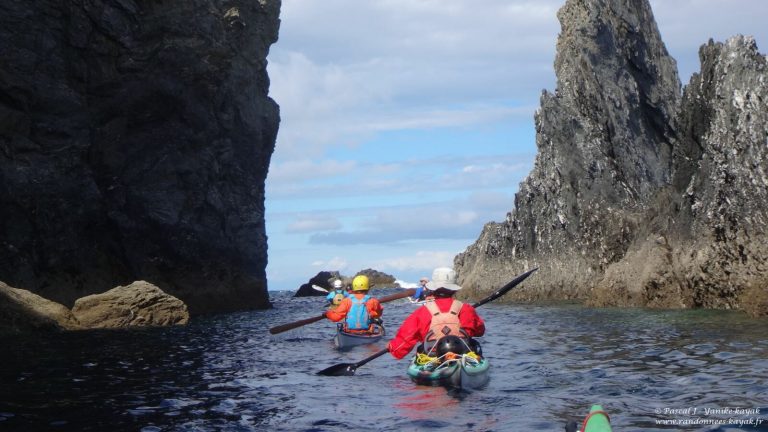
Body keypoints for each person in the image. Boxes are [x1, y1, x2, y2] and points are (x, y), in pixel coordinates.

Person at [387, 267, 485, 359]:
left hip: (432, 356)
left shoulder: (421, 312)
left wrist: (392, 347)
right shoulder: (466, 309)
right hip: (462, 354)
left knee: (420, 349)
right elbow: (480, 331)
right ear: (454, 290)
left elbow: (403, 342)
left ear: (433, 288)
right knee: (475, 345)